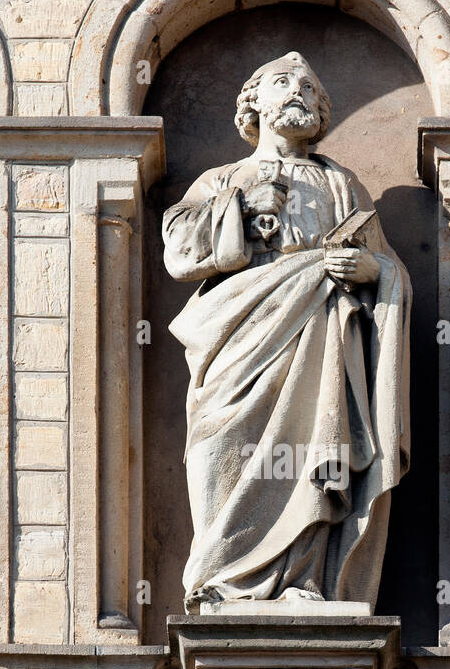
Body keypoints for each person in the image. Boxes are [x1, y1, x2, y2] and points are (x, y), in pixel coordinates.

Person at [163, 51, 411, 611]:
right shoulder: (222, 178)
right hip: (236, 348)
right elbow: (179, 249)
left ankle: (302, 582)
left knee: (309, 456)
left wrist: (375, 273)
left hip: (319, 347)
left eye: (309, 87)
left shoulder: (341, 185)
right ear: (254, 103)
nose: (297, 90)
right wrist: (238, 211)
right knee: (225, 448)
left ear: (321, 111)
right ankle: (222, 581)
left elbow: (386, 264)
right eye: (282, 82)